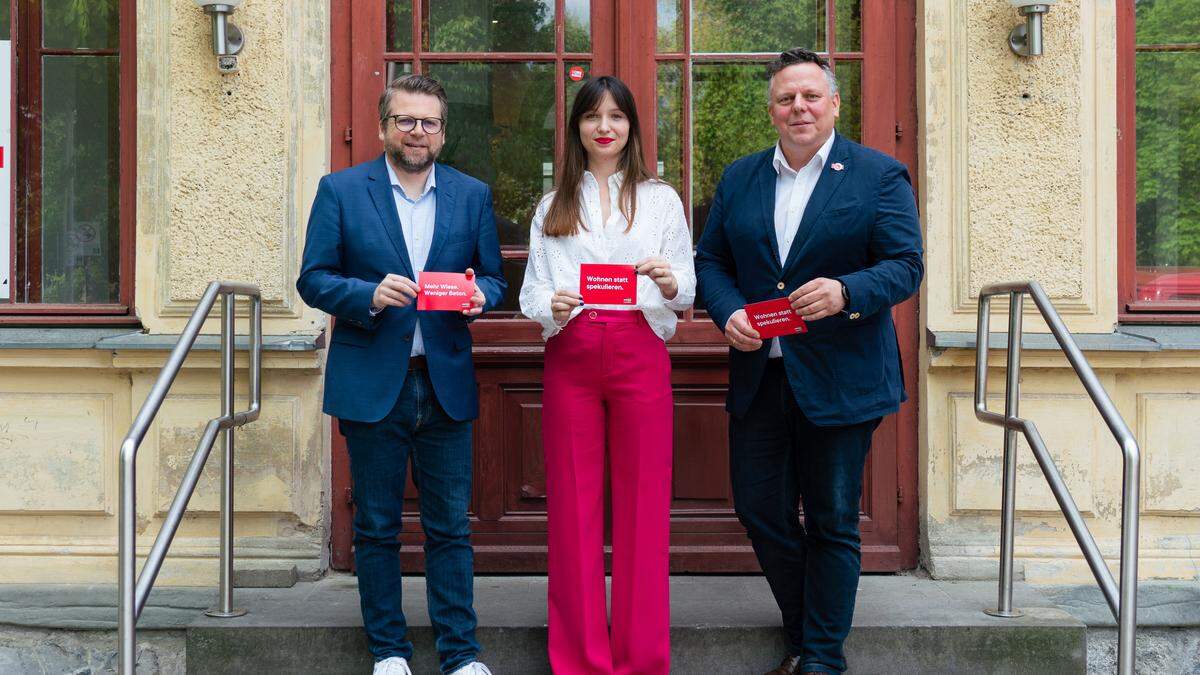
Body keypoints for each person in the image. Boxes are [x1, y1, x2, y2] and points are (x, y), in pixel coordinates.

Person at [694, 48, 923, 675]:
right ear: (771, 110)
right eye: (786, 98)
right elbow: (709, 262)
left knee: (831, 520)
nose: (799, 107)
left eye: (810, 96)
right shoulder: (740, 178)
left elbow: (906, 266)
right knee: (759, 510)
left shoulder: (878, 175)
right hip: (761, 373)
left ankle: (822, 657)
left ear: (834, 104)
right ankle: (806, 630)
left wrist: (848, 291)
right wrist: (729, 311)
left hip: (842, 378)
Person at [297, 74, 506, 675]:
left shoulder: (471, 195)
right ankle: (388, 651)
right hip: (372, 381)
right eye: (407, 121)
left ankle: (461, 655)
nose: (418, 132)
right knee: (378, 526)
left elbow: (492, 277)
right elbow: (312, 278)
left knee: (449, 528)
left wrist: (479, 298)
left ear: (443, 131)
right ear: (385, 125)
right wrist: (367, 292)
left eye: (430, 123)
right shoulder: (341, 190)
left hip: (444, 379)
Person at [519, 75, 694, 675]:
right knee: (572, 509)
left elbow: (685, 285)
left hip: (639, 346)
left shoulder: (661, 200)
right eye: (592, 116)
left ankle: (642, 660)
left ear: (632, 128)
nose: (604, 127)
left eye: (617, 116)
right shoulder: (552, 204)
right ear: (576, 128)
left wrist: (670, 283)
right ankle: (580, 661)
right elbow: (531, 293)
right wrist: (553, 306)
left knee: (646, 509)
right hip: (571, 351)